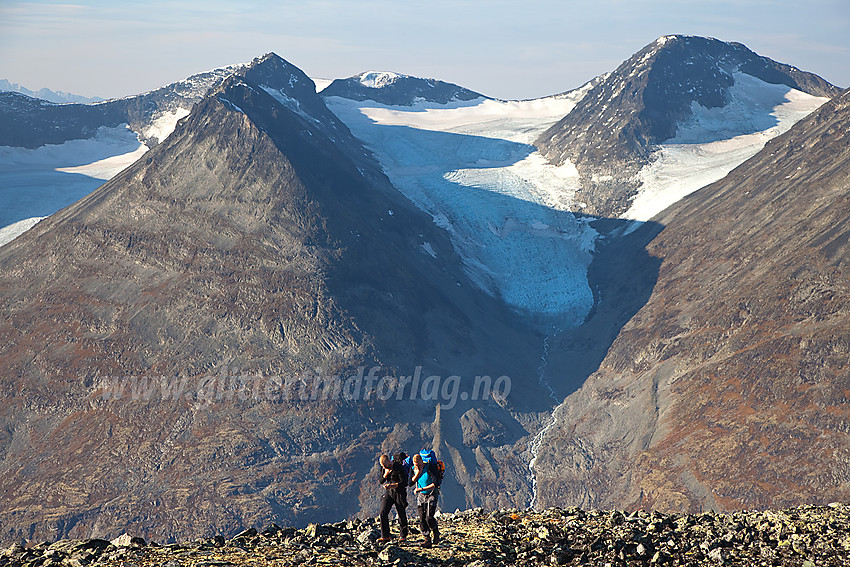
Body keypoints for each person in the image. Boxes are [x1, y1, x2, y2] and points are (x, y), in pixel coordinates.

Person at [377, 453, 409, 542]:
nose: (385, 467)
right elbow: (381, 481)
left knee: (401, 512)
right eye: (383, 466)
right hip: (389, 492)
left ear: (388, 461)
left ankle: (403, 535)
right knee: (383, 512)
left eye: (385, 465)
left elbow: (405, 482)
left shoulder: (398, 468)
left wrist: (394, 485)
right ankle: (385, 535)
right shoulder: (384, 468)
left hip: (399, 492)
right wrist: (385, 474)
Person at [411, 453, 440, 547]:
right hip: (421, 496)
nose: (417, 466)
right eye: (415, 464)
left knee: (429, 517)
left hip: (432, 494)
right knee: (422, 518)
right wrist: (417, 473)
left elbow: (435, 483)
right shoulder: (414, 469)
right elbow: (410, 483)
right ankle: (427, 539)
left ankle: (435, 532)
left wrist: (421, 489)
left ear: (421, 462)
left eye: (418, 464)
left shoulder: (429, 468)